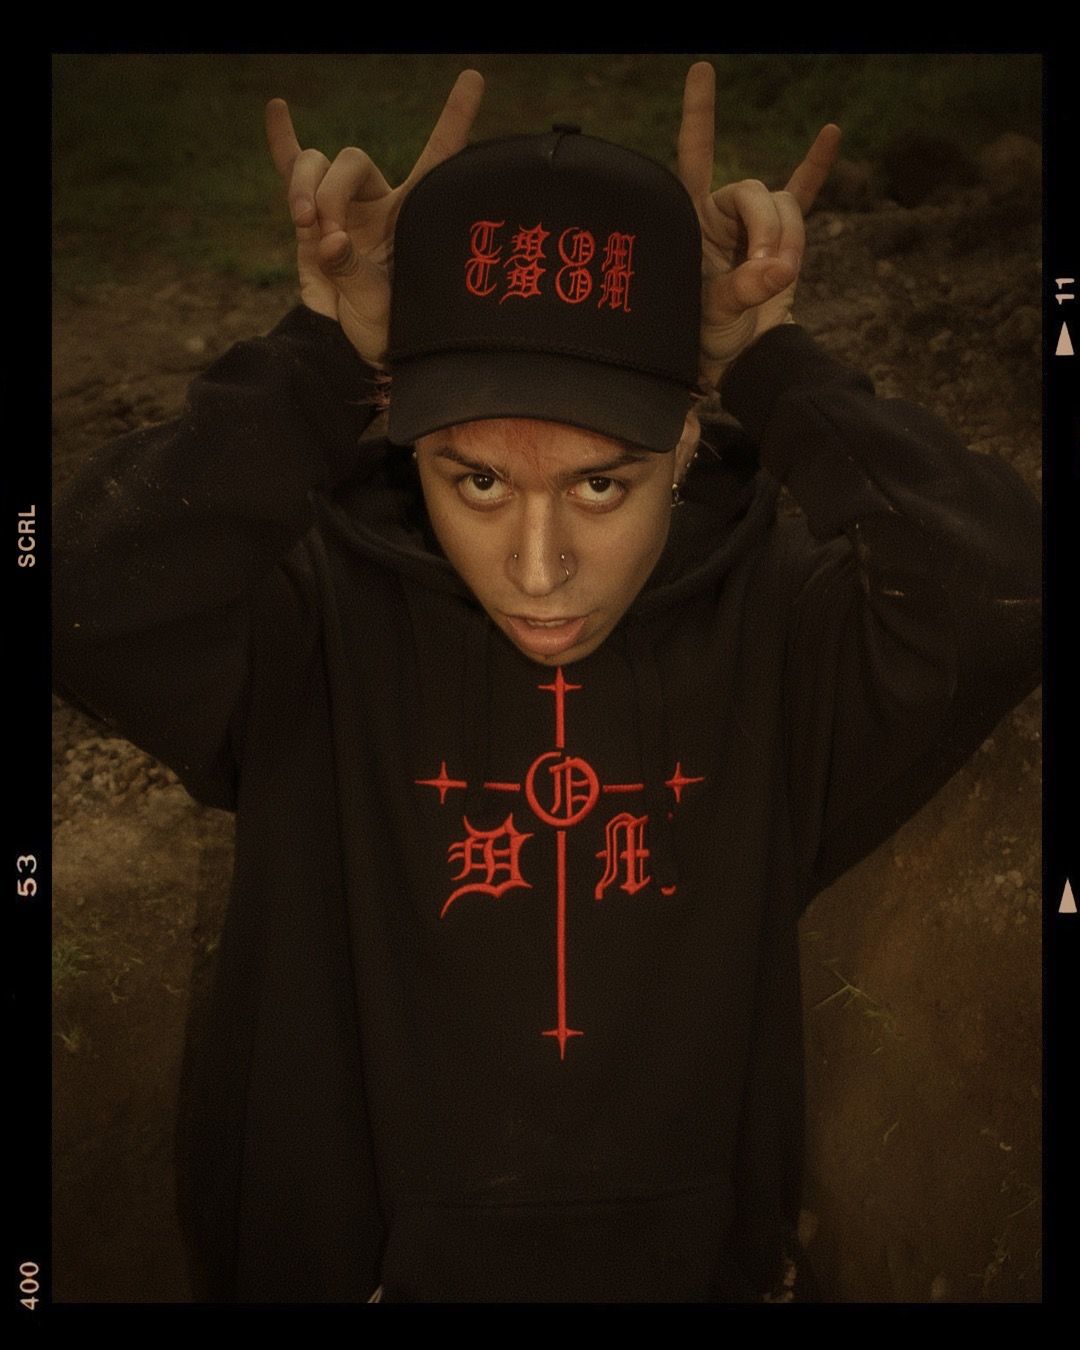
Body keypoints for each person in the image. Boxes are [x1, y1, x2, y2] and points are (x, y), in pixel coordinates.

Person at [53, 63, 1041, 1303]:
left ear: (687, 442)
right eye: (477, 482)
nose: (538, 570)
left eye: (601, 484)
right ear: (405, 437)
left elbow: (1001, 583)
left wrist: (772, 363)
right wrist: (318, 353)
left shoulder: (781, 635)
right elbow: (82, 589)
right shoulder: (314, 626)